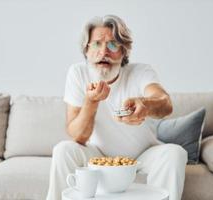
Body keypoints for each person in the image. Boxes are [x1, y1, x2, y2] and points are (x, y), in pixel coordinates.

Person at [46, 15, 187, 200]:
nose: (104, 51)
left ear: (123, 52)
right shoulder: (78, 74)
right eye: (96, 44)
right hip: (97, 155)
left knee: (175, 153)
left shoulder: (141, 72)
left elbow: (165, 104)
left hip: (143, 154)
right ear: (86, 50)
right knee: (63, 149)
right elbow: (77, 135)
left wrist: (145, 104)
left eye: (113, 45)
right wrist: (91, 102)